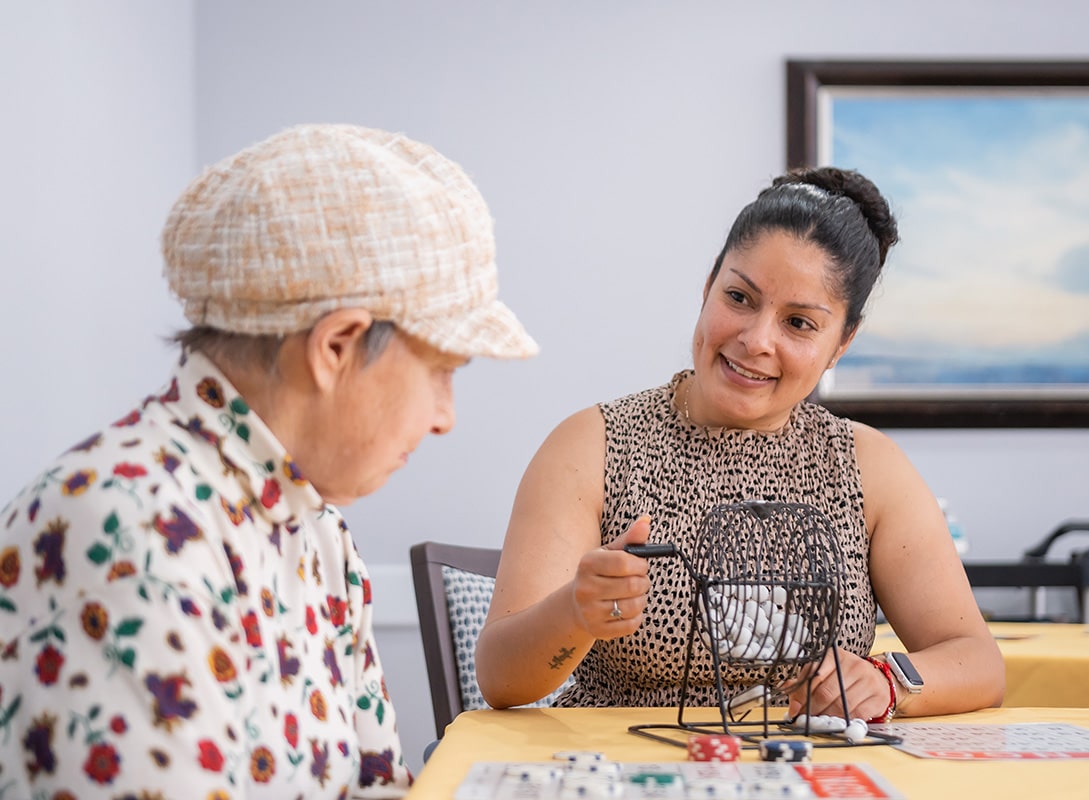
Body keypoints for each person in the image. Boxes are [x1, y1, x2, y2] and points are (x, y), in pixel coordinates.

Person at [0, 124, 536, 797]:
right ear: (336, 346)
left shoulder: (317, 531)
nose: (444, 417)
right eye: (443, 371)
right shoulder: (120, 527)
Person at [475, 167, 1004, 724]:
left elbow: (976, 661)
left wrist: (887, 680)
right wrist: (573, 612)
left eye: (799, 323)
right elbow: (500, 680)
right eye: (739, 297)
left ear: (841, 344)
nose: (756, 341)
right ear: (708, 287)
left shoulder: (869, 468)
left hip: (810, 776)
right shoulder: (593, 446)